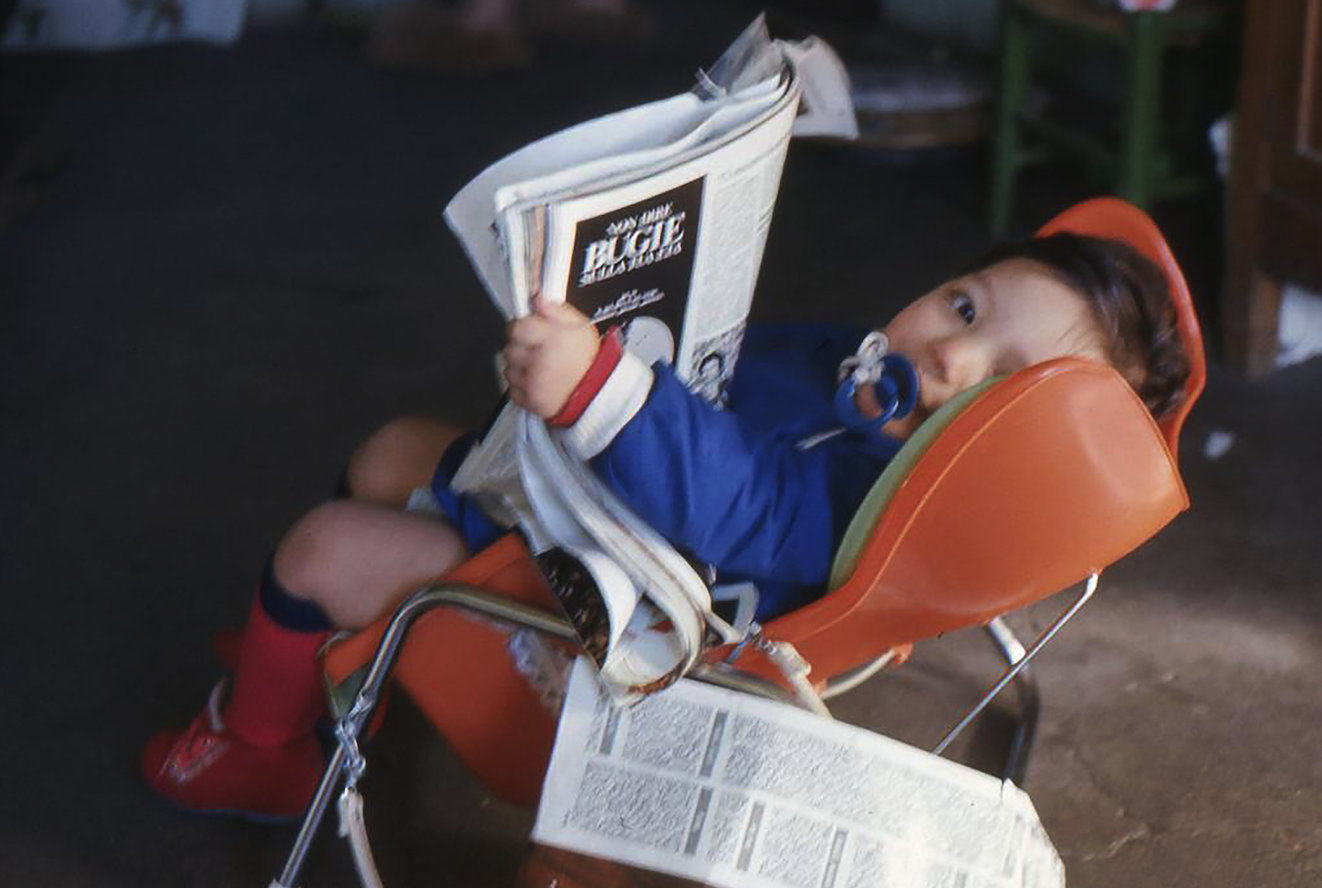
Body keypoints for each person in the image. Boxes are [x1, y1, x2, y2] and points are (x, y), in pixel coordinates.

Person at [141, 227, 1190, 820]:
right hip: (591, 511)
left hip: (602, 618)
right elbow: (738, 370)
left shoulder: (867, 503)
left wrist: (603, 388)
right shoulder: (863, 371)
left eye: (994, 386)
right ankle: (327, 671)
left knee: (324, 548)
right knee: (388, 450)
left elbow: (740, 500)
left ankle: (262, 748)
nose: (947, 356)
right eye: (962, 307)